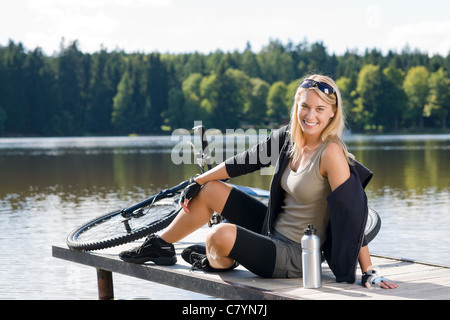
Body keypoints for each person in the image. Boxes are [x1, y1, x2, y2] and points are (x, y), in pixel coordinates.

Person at [119, 74, 398, 289]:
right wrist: (196, 180)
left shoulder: (332, 153)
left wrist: (369, 270)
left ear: (332, 113)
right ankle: (161, 245)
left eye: (319, 109)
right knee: (211, 189)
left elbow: (352, 212)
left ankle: (218, 258)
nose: (310, 116)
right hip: (270, 229)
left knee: (218, 234)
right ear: (296, 106)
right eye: (304, 107)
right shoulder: (290, 138)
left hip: (295, 256)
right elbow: (245, 161)